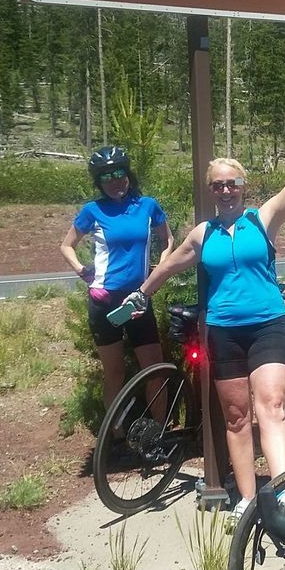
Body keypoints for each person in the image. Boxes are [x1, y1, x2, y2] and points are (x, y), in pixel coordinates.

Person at [121, 116, 285, 530]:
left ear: (243, 187)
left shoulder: (262, 219)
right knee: (236, 417)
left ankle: (284, 490)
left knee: (272, 407)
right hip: (223, 331)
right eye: (218, 186)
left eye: (233, 184)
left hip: (267, 325)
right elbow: (169, 266)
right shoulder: (203, 234)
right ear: (211, 191)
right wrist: (141, 294)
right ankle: (247, 500)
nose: (226, 191)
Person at [60, 146, 174, 410]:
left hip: (138, 299)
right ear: (99, 182)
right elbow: (66, 246)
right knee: (114, 373)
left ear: (128, 174)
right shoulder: (92, 210)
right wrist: (81, 269)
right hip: (104, 301)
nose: (114, 181)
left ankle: (158, 429)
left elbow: (167, 240)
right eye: (106, 177)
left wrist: (160, 269)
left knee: (155, 370)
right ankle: (116, 432)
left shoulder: (148, 206)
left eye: (119, 173)